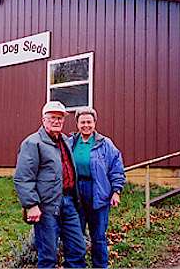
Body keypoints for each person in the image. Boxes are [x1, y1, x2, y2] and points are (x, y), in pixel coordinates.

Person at [14, 101, 86, 268]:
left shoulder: (65, 141)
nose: (57, 121)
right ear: (43, 119)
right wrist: (31, 204)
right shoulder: (32, 143)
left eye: (60, 118)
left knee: (77, 249)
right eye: (53, 117)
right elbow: (23, 177)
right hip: (46, 207)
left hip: (68, 202)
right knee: (48, 255)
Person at [70, 107, 126, 269]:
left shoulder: (105, 144)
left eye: (89, 122)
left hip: (99, 193)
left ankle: (100, 266)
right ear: (77, 124)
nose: (86, 125)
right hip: (76, 193)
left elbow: (116, 168)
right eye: (82, 122)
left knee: (99, 236)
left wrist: (116, 191)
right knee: (75, 235)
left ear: (94, 123)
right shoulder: (71, 142)